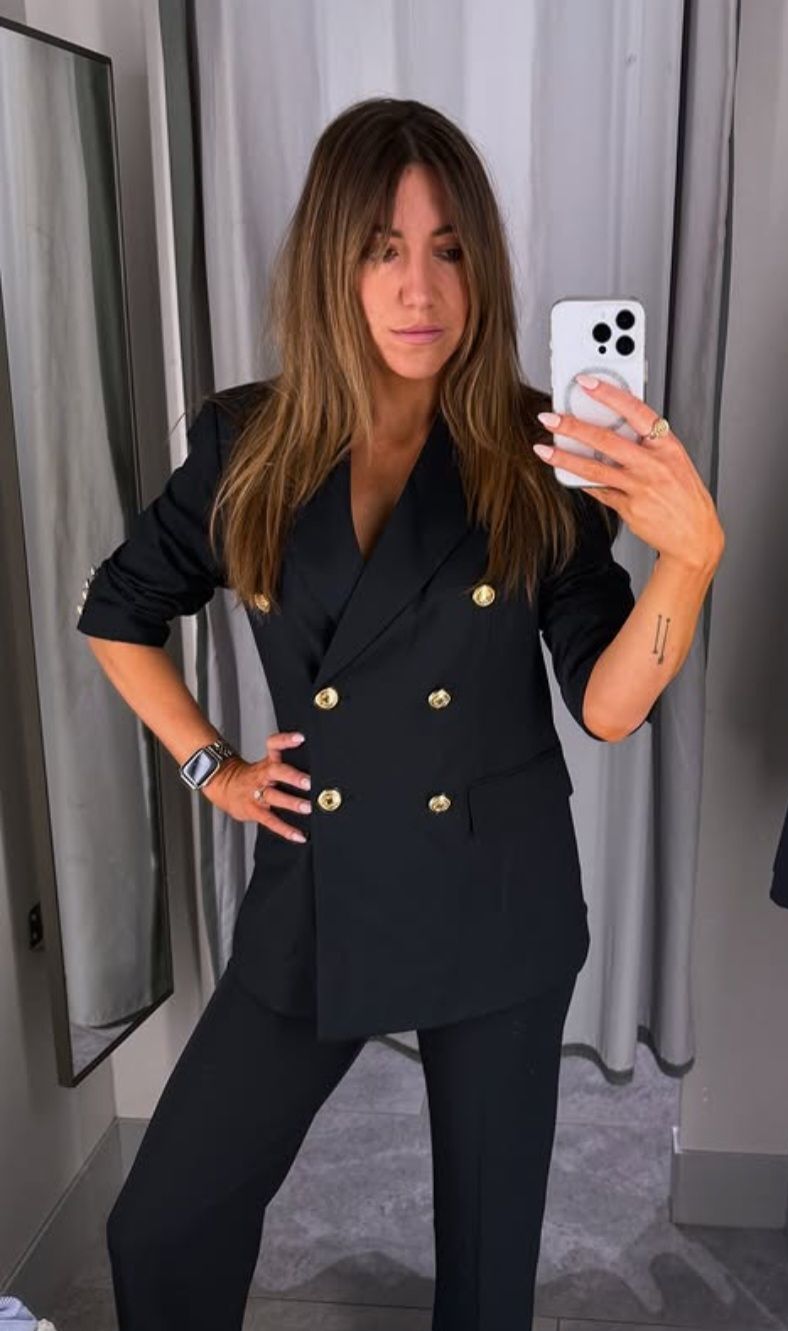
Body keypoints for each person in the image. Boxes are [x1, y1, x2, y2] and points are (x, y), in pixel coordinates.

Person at [76, 96, 724, 1331]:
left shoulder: (538, 449)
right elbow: (119, 610)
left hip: (498, 889)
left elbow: (605, 704)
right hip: (322, 879)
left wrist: (687, 562)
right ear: (334, 260)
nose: (420, 288)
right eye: (384, 248)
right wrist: (211, 764)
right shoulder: (247, 442)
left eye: (448, 249)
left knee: (486, 1274)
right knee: (161, 1221)